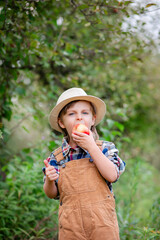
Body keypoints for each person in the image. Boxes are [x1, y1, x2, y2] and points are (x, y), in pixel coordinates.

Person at [43, 87, 125, 240]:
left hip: (103, 227)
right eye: (72, 113)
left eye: (84, 113)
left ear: (93, 119)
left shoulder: (105, 148)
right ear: (61, 122)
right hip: (70, 229)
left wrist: (91, 147)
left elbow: (112, 175)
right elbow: (51, 193)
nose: (79, 118)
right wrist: (49, 179)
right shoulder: (57, 157)